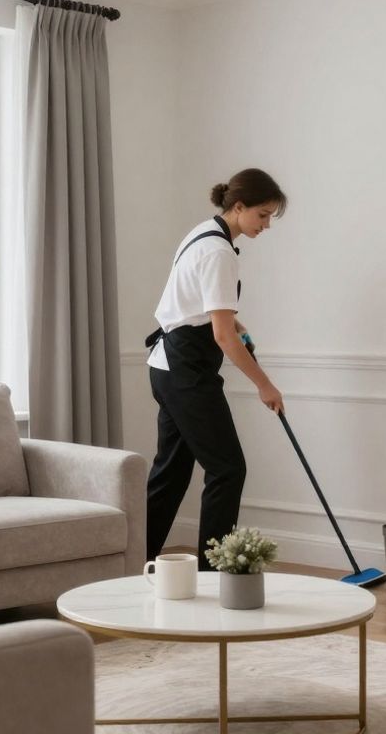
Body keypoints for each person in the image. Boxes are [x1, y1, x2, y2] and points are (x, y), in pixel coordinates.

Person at [144, 168, 287, 567]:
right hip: (185, 369)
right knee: (227, 469)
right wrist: (265, 386)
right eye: (262, 215)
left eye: (271, 216)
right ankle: (213, 572)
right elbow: (222, 337)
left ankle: (132, 562)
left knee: (170, 475)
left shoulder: (202, 233)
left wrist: (235, 323)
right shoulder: (220, 252)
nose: (266, 224)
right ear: (238, 207)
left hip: (167, 365)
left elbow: (196, 305)